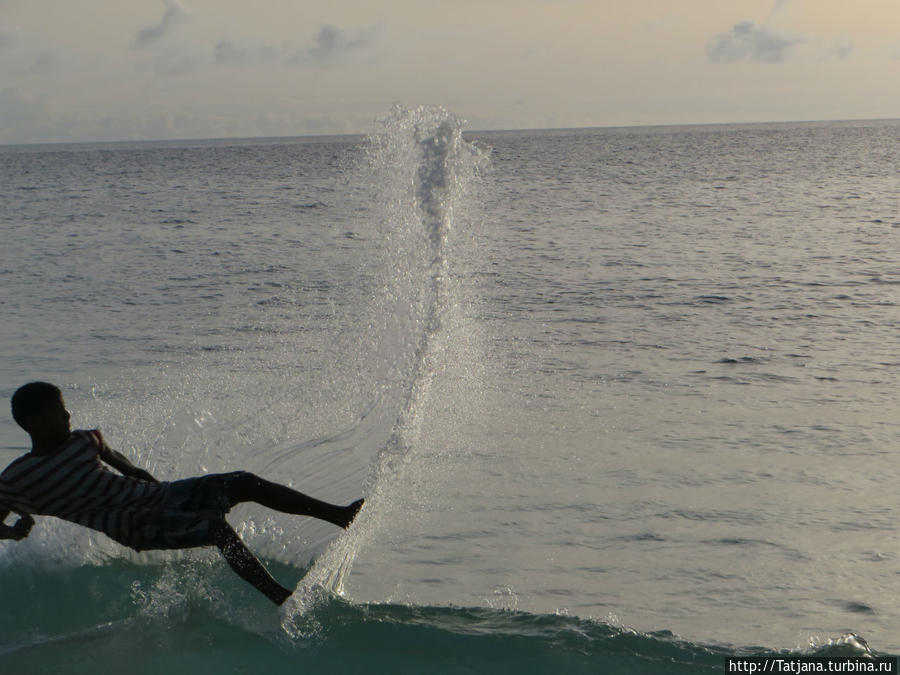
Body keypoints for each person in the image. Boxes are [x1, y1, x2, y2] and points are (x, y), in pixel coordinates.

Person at [0, 381, 364, 605]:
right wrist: (14, 532)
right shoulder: (18, 477)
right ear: (34, 423)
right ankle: (280, 598)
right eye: (58, 411)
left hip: (160, 498)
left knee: (242, 481)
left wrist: (172, 495)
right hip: (133, 526)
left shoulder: (85, 440)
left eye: (65, 408)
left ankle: (338, 515)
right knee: (218, 531)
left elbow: (132, 470)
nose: (68, 415)